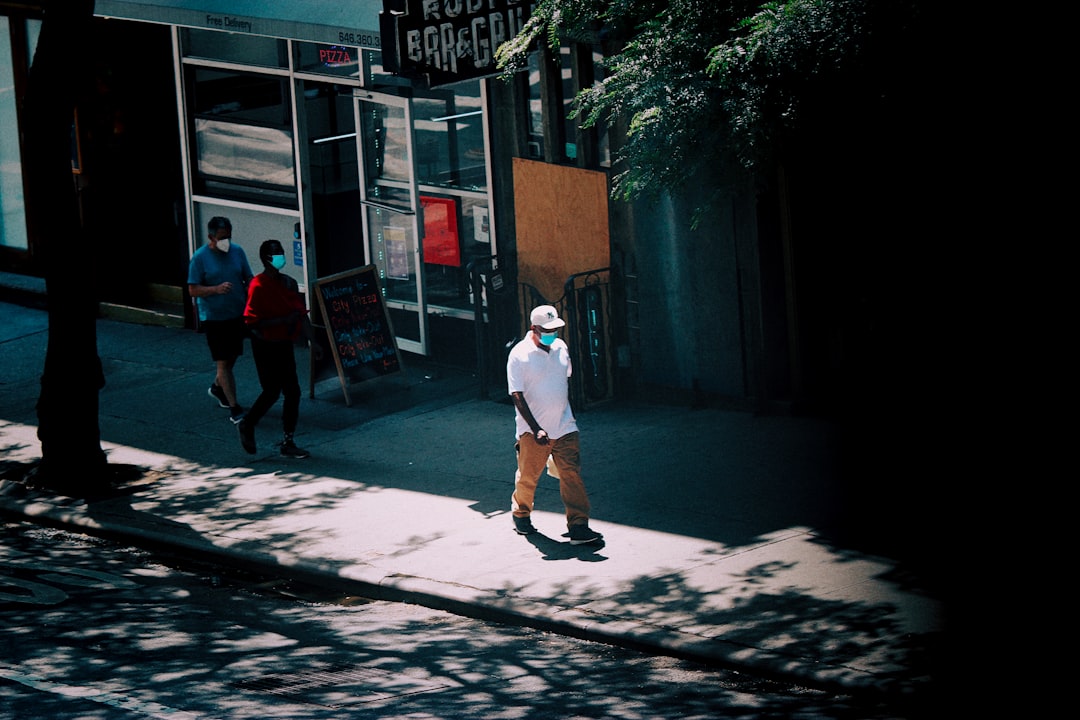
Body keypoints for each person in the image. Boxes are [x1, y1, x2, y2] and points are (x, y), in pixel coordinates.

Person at [507, 305, 603, 545]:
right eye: (547, 330)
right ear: (534, 329)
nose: (553, 334)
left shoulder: (561, 348)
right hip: (533, 431)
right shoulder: (519, 355)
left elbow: (562, 379)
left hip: (565, 425)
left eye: (555, 329)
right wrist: (535, 427)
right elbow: (516, 395)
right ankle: (521, 513)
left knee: (572, 474)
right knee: (529, 476)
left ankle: (579, 525)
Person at [236, 239, 322, 458]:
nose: (279, 257)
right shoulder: (258, 285)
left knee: (293, 391)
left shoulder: (289, 283)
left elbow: (302, 316)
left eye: (281, 252)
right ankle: (248, 423)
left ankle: (288, 440)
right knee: (272, 391)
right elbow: (251, 322)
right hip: (265, 345)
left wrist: (313, 341)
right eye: (275, 254)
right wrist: (282, 320)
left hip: (284, 344)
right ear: (265, 258)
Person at [188, 217, 253, 424]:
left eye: (228, 237)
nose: (226, 241)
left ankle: (218, 387)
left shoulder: (237, 252)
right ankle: (234, 406)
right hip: (215, 317)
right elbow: (193, 288)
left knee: (232, 356)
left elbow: (248, 277)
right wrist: (215, 289)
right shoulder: (200, 258)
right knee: (223, 362)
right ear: (211, 237)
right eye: (222, 238)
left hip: (236, 313)